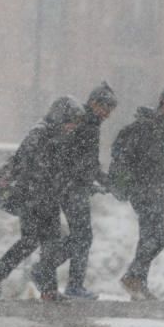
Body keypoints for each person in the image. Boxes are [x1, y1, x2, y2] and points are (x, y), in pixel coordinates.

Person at [0, 96, 84, 302]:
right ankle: (45, 290)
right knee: (47, 241)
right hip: (34, 197)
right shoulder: (41, 134)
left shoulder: (52, 134)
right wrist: (45, 191)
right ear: (61, 117)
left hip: (41, 197)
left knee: (35, 241)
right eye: (71, 120)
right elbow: (30, 167)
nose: (73, 126)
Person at [109, 85, 164, 301]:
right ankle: (133, 279)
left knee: (151, 236)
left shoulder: (161, 127)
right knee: (158, 236)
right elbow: (130, 158)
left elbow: (159, 164)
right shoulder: (148, 128)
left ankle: (137, 283)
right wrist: (137, 183)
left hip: (152, 189)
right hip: (144, 190)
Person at [59, 82, 118, 300]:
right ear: (94, 103)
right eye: (106, 109)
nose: (108, 115)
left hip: (73, 186)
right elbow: (79, 161)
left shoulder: (88, 123)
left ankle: (46, 271)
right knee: (82, 236)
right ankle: (70, 284)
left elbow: (87, 162)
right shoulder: (85, 124)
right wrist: (94, 179)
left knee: (79, 236)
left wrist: (101, 180)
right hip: (72, 188)